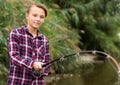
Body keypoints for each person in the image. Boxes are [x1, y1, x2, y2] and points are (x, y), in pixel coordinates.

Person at [7, 2, 50, 85]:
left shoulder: (45, 40)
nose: (38, 19)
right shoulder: (15, 33)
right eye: (34, 15)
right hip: (17, 82)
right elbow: (14, 57)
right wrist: (32, 64)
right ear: (27, 16)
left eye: (41, 17)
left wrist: (43, 69)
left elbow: (47, 66)